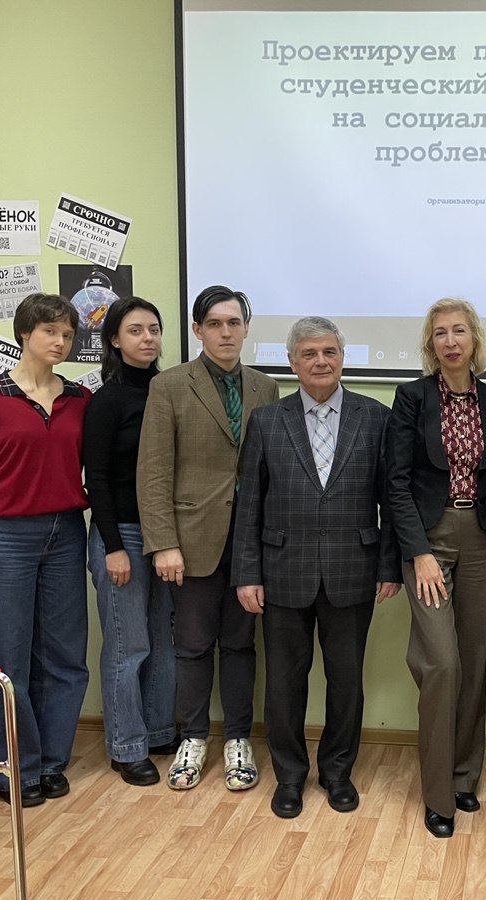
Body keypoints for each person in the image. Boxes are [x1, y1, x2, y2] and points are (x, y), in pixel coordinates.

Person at [233, 316, 401, 818]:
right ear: (292, 362)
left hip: (354, 568)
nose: (320, 361)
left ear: (342, 358)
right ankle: (289, 775)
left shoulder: (376, 417)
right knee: (284, 683)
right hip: (282, 570)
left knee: (346, 681)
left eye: (329, 352)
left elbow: (391, 500)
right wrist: (247, 573)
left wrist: (389, 565)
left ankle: (337, 772)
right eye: (309, 353)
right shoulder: (267, 420)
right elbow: (249, 504)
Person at [137, 285, 278, 791]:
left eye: (234, 323)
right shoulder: (170, 386)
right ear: (197, 330)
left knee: (241, 644)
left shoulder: (265, 387)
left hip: (250, 542)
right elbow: (153, 471)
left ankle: (238, 737)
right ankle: (194, 737)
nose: (225, 332)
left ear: (246, 328)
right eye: (215, 323)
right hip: (191, 540)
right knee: (193, 645)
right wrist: (163, 542)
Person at [0, 292, 91, 807]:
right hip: (5, 536)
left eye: (68, 334)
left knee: (64, 655)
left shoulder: (80, 399)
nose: (60, 341)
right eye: (50, 331)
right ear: (25, 334)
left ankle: (50, 762)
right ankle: (13, 766)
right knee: (8, 658)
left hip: (65, 532)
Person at [386, 297, 486, 839]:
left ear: (474, 339)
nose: (451, 341)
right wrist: (417, 552)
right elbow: (395, 481)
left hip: (481, 537)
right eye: (440, 333)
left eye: (459, 331)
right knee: (442, 662)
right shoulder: (412, 398)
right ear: (430, 344)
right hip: (428, 540)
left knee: (473, 661)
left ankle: (463, 775)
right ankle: (438, 795)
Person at [84, 296, 175, 786]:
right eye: (135, 330)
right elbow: (96, 478)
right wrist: (113, 546)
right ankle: (126, 745)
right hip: (122, 534)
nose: (147, 338)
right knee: (127, 644)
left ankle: (158, 731)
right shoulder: (107, 401)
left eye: (153, 329)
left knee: (162, 640)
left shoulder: (169, 391)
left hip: (164, 534)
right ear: (115, 340)